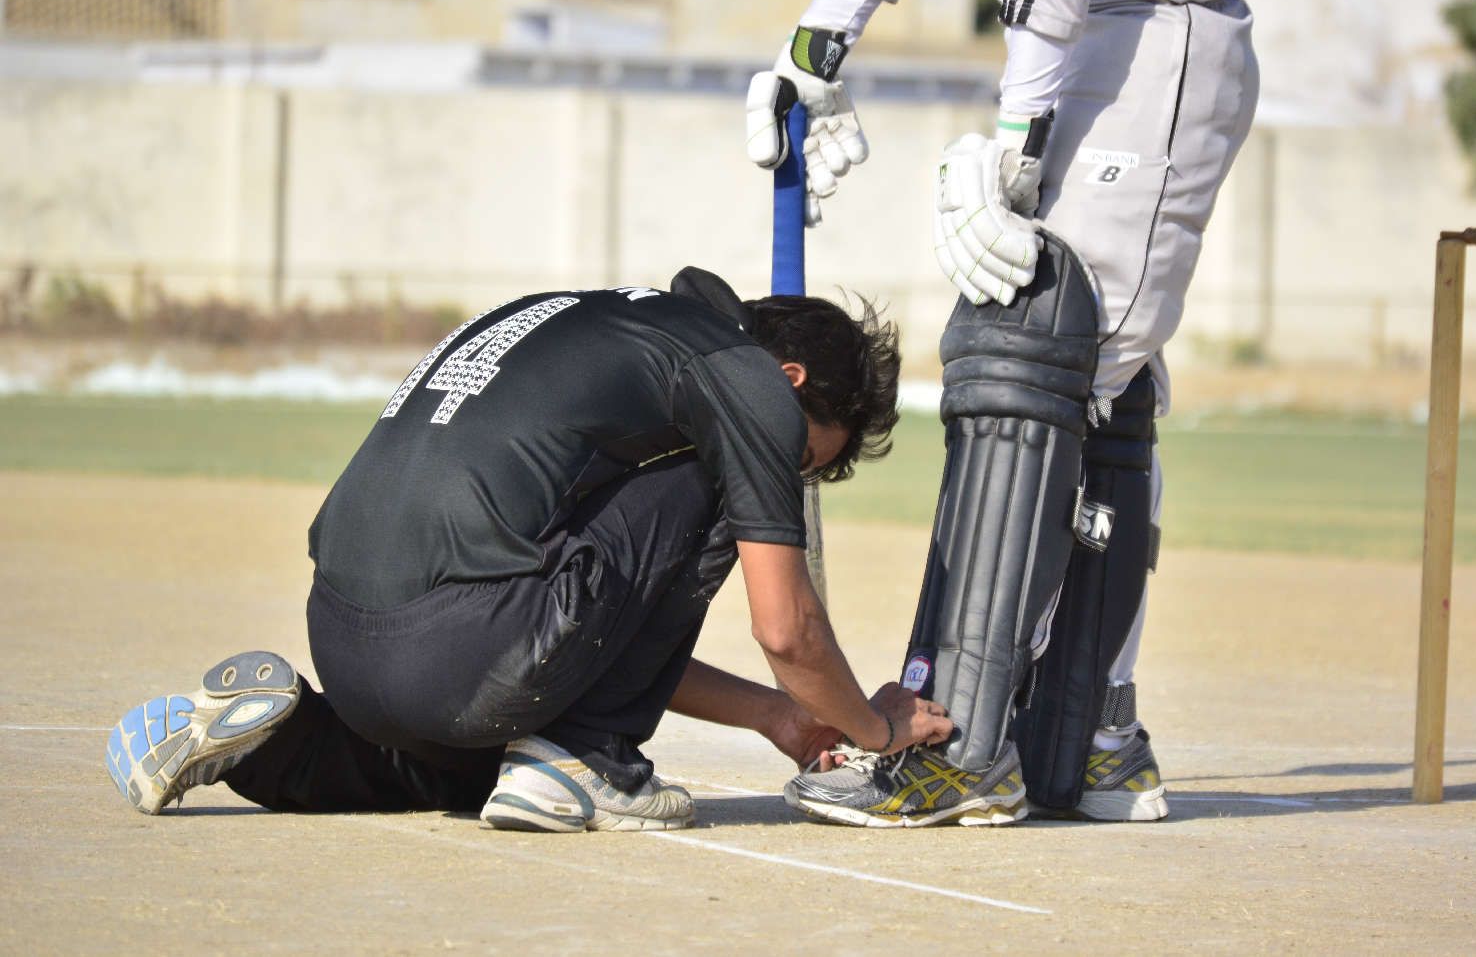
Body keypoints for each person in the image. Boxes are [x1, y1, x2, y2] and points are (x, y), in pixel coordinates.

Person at [104, 267, 965, 833]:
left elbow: (603, 634)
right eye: (800, 458)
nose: (783, 477)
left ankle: (281, 737)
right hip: (467, 643)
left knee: (478, 770)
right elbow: (786, 631)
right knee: (720, 476)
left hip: (349, 643)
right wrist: (879, 727)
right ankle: (590, 759)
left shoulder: (591, 322)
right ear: (789, 382)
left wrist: (779, 716)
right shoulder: (745, 388)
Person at [747, 0, 1259, 826]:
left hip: (1155, 34)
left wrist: (1021, 137)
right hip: (1096, 36)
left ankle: (971, 745)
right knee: (1083, 378)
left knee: (1039, 350)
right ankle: (1085, 734)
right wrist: (813, 50)